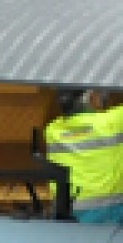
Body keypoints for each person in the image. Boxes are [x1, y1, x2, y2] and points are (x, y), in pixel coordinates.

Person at [44, 90, 123, 222]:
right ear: (91, 97)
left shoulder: (52, 130)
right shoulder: (111, 122)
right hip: (107, 209)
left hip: (66, 209)